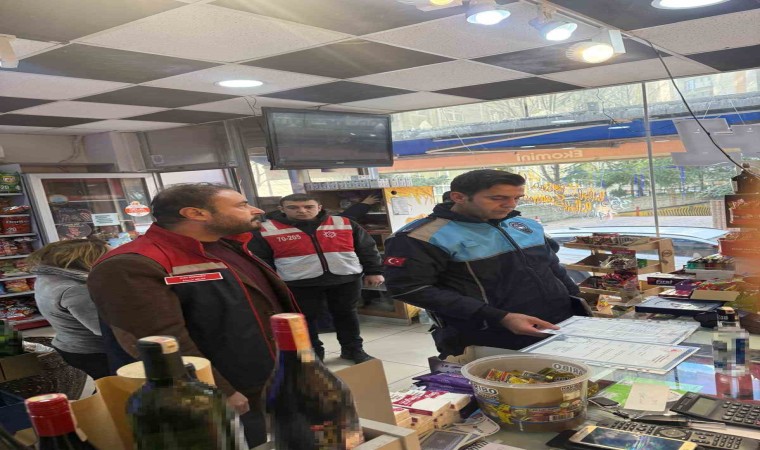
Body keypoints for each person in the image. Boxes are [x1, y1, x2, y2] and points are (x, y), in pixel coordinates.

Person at [87, 183, 297, 448]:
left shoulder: (226, 246)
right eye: (242, 205)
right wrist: (218, 390)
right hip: (217, 391)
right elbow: (159, 340)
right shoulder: (132, 264)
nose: (256, 210)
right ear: (195, 213)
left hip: (267, 376)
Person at [383, 169, 582, 357]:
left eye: (517, 198)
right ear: (458, 197)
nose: (511, 205)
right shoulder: (420, 237)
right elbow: (408, 288)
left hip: (558, 321)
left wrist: (577, 299)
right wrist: (499, 317)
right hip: (486, 333)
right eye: (498, 198)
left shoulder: (524, 225)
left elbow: (552, 266)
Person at [249, 193, 384, 364]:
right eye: (293, 207)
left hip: (345, 278)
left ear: (319, 207)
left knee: (347, 315)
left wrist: (374, 271)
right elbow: (261, 260)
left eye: (308, 207)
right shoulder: (266, 229)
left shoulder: (343, 223)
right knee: (305, 320)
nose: (302, 211)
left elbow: (367, 248)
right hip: (299, 282)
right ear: (281, 209)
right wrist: (272, 284)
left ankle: (353, 350)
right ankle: (314, 356)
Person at [27, 239, 110, 380]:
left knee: (104, 386)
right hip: (93, 352)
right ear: (88, 260)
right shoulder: (76, 289)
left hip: (70, 345)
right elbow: (104, 328)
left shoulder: (49, 278)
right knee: (115, 387)